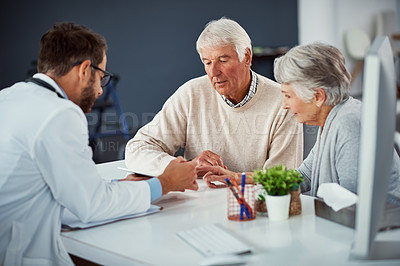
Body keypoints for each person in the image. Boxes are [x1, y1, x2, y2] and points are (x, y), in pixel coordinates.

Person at [0, 22, 198, 265]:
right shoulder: (60, 114)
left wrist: (119, 187)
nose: (100, 91)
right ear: (85, 69)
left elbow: (60, 186)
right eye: (101, 77)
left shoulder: (9, 97)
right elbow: (91, 205)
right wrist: (164, 183)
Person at [199, 42, 400, 204]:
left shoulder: (348, 124)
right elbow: (303, 177)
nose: (284, 105)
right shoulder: (333, 119)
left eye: (288, 96)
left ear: (318, 96)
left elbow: (351, 206)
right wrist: (238, 178)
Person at [125, 18, 303, 182]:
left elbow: (283, 178)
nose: (213, 72)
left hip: (253, 208)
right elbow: (137, 149)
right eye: (207, 62)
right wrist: (186, 168)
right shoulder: (191, 93)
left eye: (223, 60)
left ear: (247, 57)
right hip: (197, 205)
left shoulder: (283, 102)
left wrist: (231, 178)